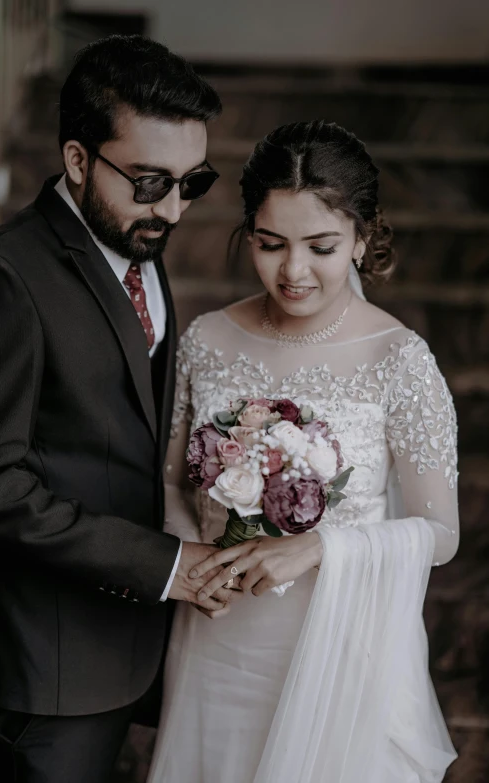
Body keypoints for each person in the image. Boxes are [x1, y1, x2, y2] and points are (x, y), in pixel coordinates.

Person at [148, 120, 460, 783]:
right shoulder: (206, 339)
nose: (293, 270)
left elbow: (441, 533)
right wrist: (196, 564)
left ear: (363, 237)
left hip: (340, 647)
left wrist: (322, 545)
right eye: (270, 244)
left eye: (321, 246)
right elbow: (172, 485)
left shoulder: (397, 359)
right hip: (220, 641)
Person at [0, 35, 239, 783]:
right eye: (150, 182)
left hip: (131, 648)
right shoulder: (4, 278)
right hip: (48, 668)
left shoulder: (135, 244)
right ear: (80, 160)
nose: (175, 209)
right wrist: (165, 564)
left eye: (194, 182)